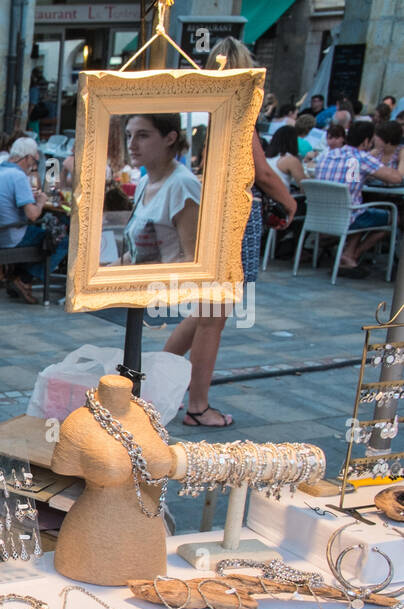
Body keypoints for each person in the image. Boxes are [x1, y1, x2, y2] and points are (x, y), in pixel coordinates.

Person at [163, 37, 296, 429]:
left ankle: (147, 383)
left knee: (204, 311)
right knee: (213, 316)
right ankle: (198, 406)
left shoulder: (203, 110)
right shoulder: (237, 113)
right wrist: (290, 203)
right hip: (233, 217)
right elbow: (263, 173)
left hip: (208, 214)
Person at [314, 118, 403, 275]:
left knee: (363, 210)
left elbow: (351, 179)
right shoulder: (361, 158)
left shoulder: (327, 155)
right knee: (394, 218)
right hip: (348, 216)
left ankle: (347, 254)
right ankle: (352, 254)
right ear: (367, 140)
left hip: (320, 216)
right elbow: (396, 178)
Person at [120, 114, 199, 265]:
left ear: (170, 138)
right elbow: (135, 254)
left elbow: (193, 261)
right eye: (129, 135)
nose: (131, 144)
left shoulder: (183, 185)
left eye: (143, 136)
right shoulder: (144, 183)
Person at [0, 137, 48, 302]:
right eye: (34, 162)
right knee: (59, 237)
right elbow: (33, 215)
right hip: (11, 237)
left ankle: (16, 276)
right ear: (27, 158)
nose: (33, 167)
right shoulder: (18, 176)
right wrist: (40, 202)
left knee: (45, 232)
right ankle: (23, 278)